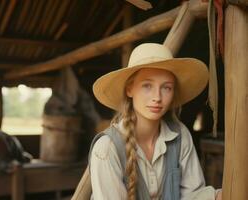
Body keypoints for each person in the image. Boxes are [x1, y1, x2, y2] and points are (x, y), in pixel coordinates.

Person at [90, 43, 222, 200]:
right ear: (129, 89)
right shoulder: (107, 149)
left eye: (166, 88)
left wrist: (219, 196)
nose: (157, 98)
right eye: (147, 86)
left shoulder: (179, 136)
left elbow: (191, 196)